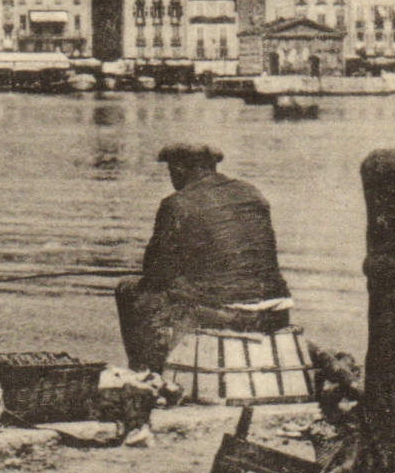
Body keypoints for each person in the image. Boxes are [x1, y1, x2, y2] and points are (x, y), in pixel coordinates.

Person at [116, 144, 292, 374]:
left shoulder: (176, 204)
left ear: (179, 169)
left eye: (170, 171)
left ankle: (148, 375)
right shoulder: (252, 193)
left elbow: (154, 274)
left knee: (130, 290)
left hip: (227, 316)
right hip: (277, 312)